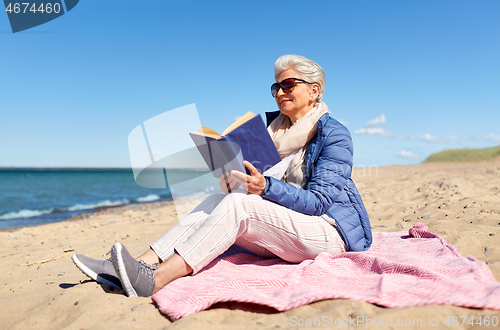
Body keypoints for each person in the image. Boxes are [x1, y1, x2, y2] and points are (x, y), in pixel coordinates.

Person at [72, 54, 372, 297]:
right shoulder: (270, 129)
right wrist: (232, 174)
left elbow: (319, 201)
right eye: (276, 87)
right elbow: (252, 178)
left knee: (241, 205)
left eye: (289, 85)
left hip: (330, 231)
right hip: (289, 223)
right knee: (218, 198)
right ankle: (138, 264)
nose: (280, 92)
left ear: (314, 90)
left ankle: (156, 279)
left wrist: (265, 187)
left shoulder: (334, 135)